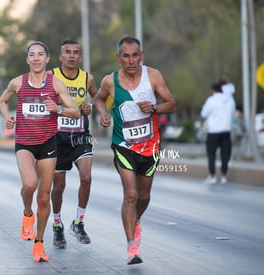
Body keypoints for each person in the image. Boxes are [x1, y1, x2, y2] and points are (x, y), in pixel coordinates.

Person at [93, 36, 176, 265]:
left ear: (142, 55)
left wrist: (155, 107)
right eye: (126, 56)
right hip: (123, 145)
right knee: (130, 194)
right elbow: (99, 99)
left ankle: (136, 220)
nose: (130, 60)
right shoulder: (110, 81)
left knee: (144, 195)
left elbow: (171, 103)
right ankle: (131, 247)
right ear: (118, 57)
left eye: (135, 55)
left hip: (150, 145)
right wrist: (104, 114)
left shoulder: (154, 76)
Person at [0, 41, 79, 262]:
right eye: (32, 55)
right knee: (30, 185)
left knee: (44, 198)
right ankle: (26, 214)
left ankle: (39, 244)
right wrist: (7, 117)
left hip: (48, 144)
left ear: (47, 59)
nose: (36, 58)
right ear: (27, 60)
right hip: (24, 143)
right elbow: (2, 100)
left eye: (40, 54)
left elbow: (76, 112)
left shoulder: (56, 84)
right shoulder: (17, 82)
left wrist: (59, 109)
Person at [50, 39, 98, 249]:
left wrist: (90, 106)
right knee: (59, 186)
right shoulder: (51, 76)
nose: (71, 56)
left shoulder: (87, 78)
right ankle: (58, 223)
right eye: (67, 52)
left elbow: (98, 97)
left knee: (86, 177)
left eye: (75, 52)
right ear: (61, 57)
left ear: (80, 57)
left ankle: (78, 222)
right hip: (57, 137)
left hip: (80, 135)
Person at [200, 81, 236, 184]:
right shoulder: (230, 100)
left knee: (211, 155)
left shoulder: (211, 100)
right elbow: (233, 114)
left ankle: (212, 176)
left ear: (213, 90)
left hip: (213, 132)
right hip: (226, 131)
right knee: (225, 155)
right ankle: (224, 176)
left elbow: (204, 113)